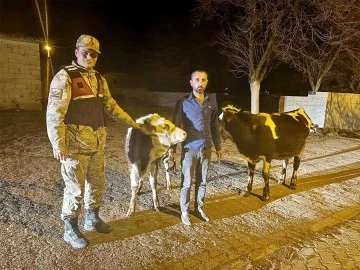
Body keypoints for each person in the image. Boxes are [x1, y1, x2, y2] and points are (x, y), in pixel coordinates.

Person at [46, 34, 139, 249]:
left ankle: (92, 218)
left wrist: (131, 122)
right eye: (85, 52)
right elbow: (55, 114)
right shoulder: (64, 77)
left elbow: (111, 106)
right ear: (76, 52)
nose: (89, 56)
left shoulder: (99, 79)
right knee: (74, 189)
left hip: (97, 144)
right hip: (74, 146)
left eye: (94, 54)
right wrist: (58, 143)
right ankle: (70, 229)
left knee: (96, 185)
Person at [169, 69, 222, 226]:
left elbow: (215, 125)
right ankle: (184, 211)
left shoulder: (211, 101)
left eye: (204, 80)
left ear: (207, 82)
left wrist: (218, 145)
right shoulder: (183, 102)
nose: (200, 82)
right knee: (187, 183)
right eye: (197, 79)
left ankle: (198, 208)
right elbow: (175, 126)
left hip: (206, 148)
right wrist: (172, 148)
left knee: (203, 181)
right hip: (189, 149)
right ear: (191, 83)